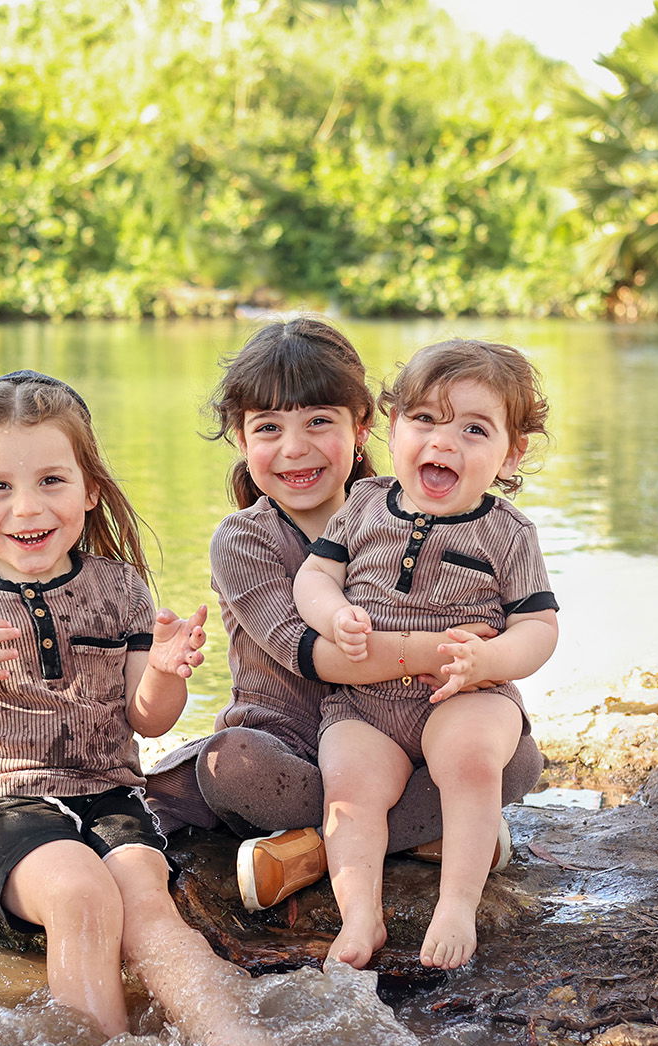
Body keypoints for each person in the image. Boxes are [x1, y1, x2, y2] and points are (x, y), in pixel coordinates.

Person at [0, 370, 295, 1046]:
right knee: (78, 893)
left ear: (90, 488)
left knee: (145, 899)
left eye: (51, 480)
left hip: (106, 791)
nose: (27, 506)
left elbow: (147, 717)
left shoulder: (120, 587)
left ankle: (232, 1039)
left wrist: (163, 669)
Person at [144, 319, 543, 913]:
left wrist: (492, 661)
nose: (294, 448)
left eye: (319, 422)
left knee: (517, 759)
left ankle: (319, 849)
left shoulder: (403, 508)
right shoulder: (243, 540)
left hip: (402, 734)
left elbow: (521, 616)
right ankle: (426, 837)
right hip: (288, 742)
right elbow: (318, 655)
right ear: (240, 437)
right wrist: (446, 650)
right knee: (230, 764)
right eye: (268, 428)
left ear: (363, 427)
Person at [294, 339, 559, 972]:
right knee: (349, 782)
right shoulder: (362, 505)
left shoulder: (509, 532)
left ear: (510, 452)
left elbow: (540, 627)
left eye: (474, 429)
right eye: (425, 420)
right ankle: (362, 914)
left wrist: (491, 661)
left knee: (470, 758)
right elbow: (312, 578)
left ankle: (457, 903)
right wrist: (335, 616)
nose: (444, 443)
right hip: (369, 704)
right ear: (392, 427)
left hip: (467, 694)